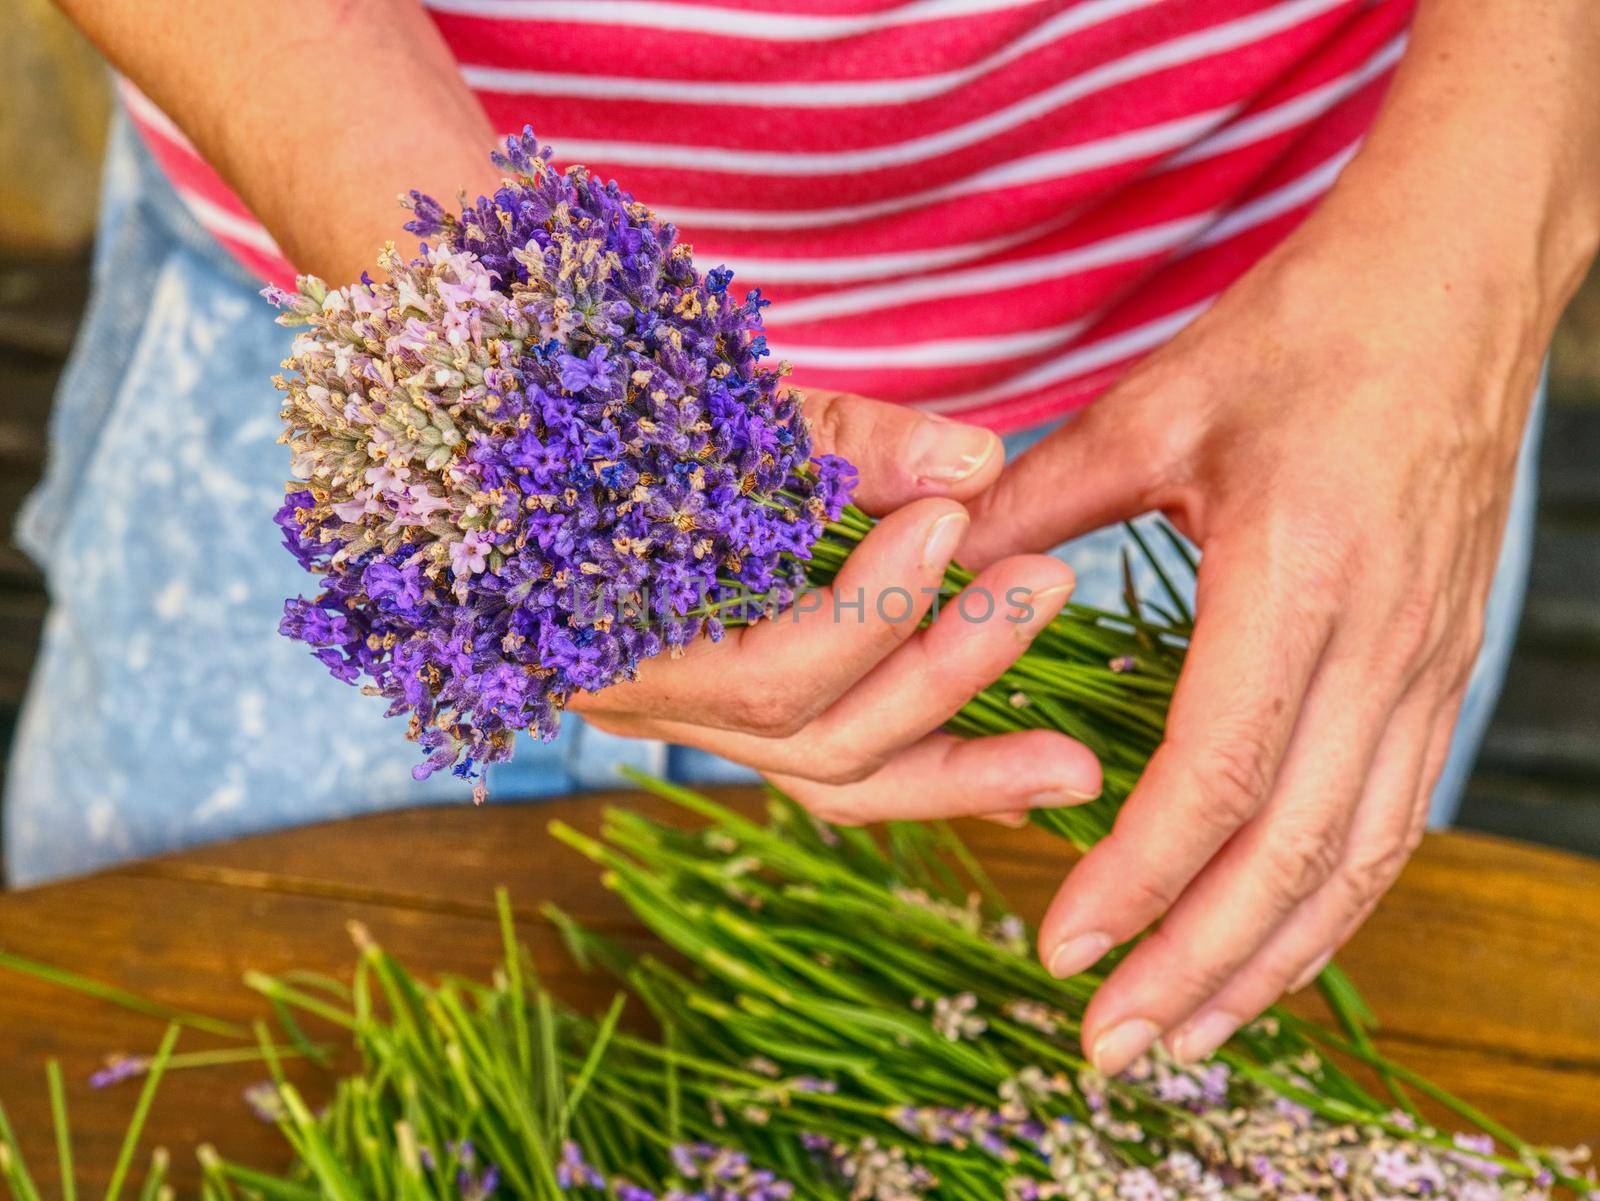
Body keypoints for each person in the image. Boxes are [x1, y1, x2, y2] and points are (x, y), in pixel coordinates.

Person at [11, 0, 1596, 1078]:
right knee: (169, 1052)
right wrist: (429, 272)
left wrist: (1470, 264)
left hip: (1285, 357)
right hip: (361, 311)